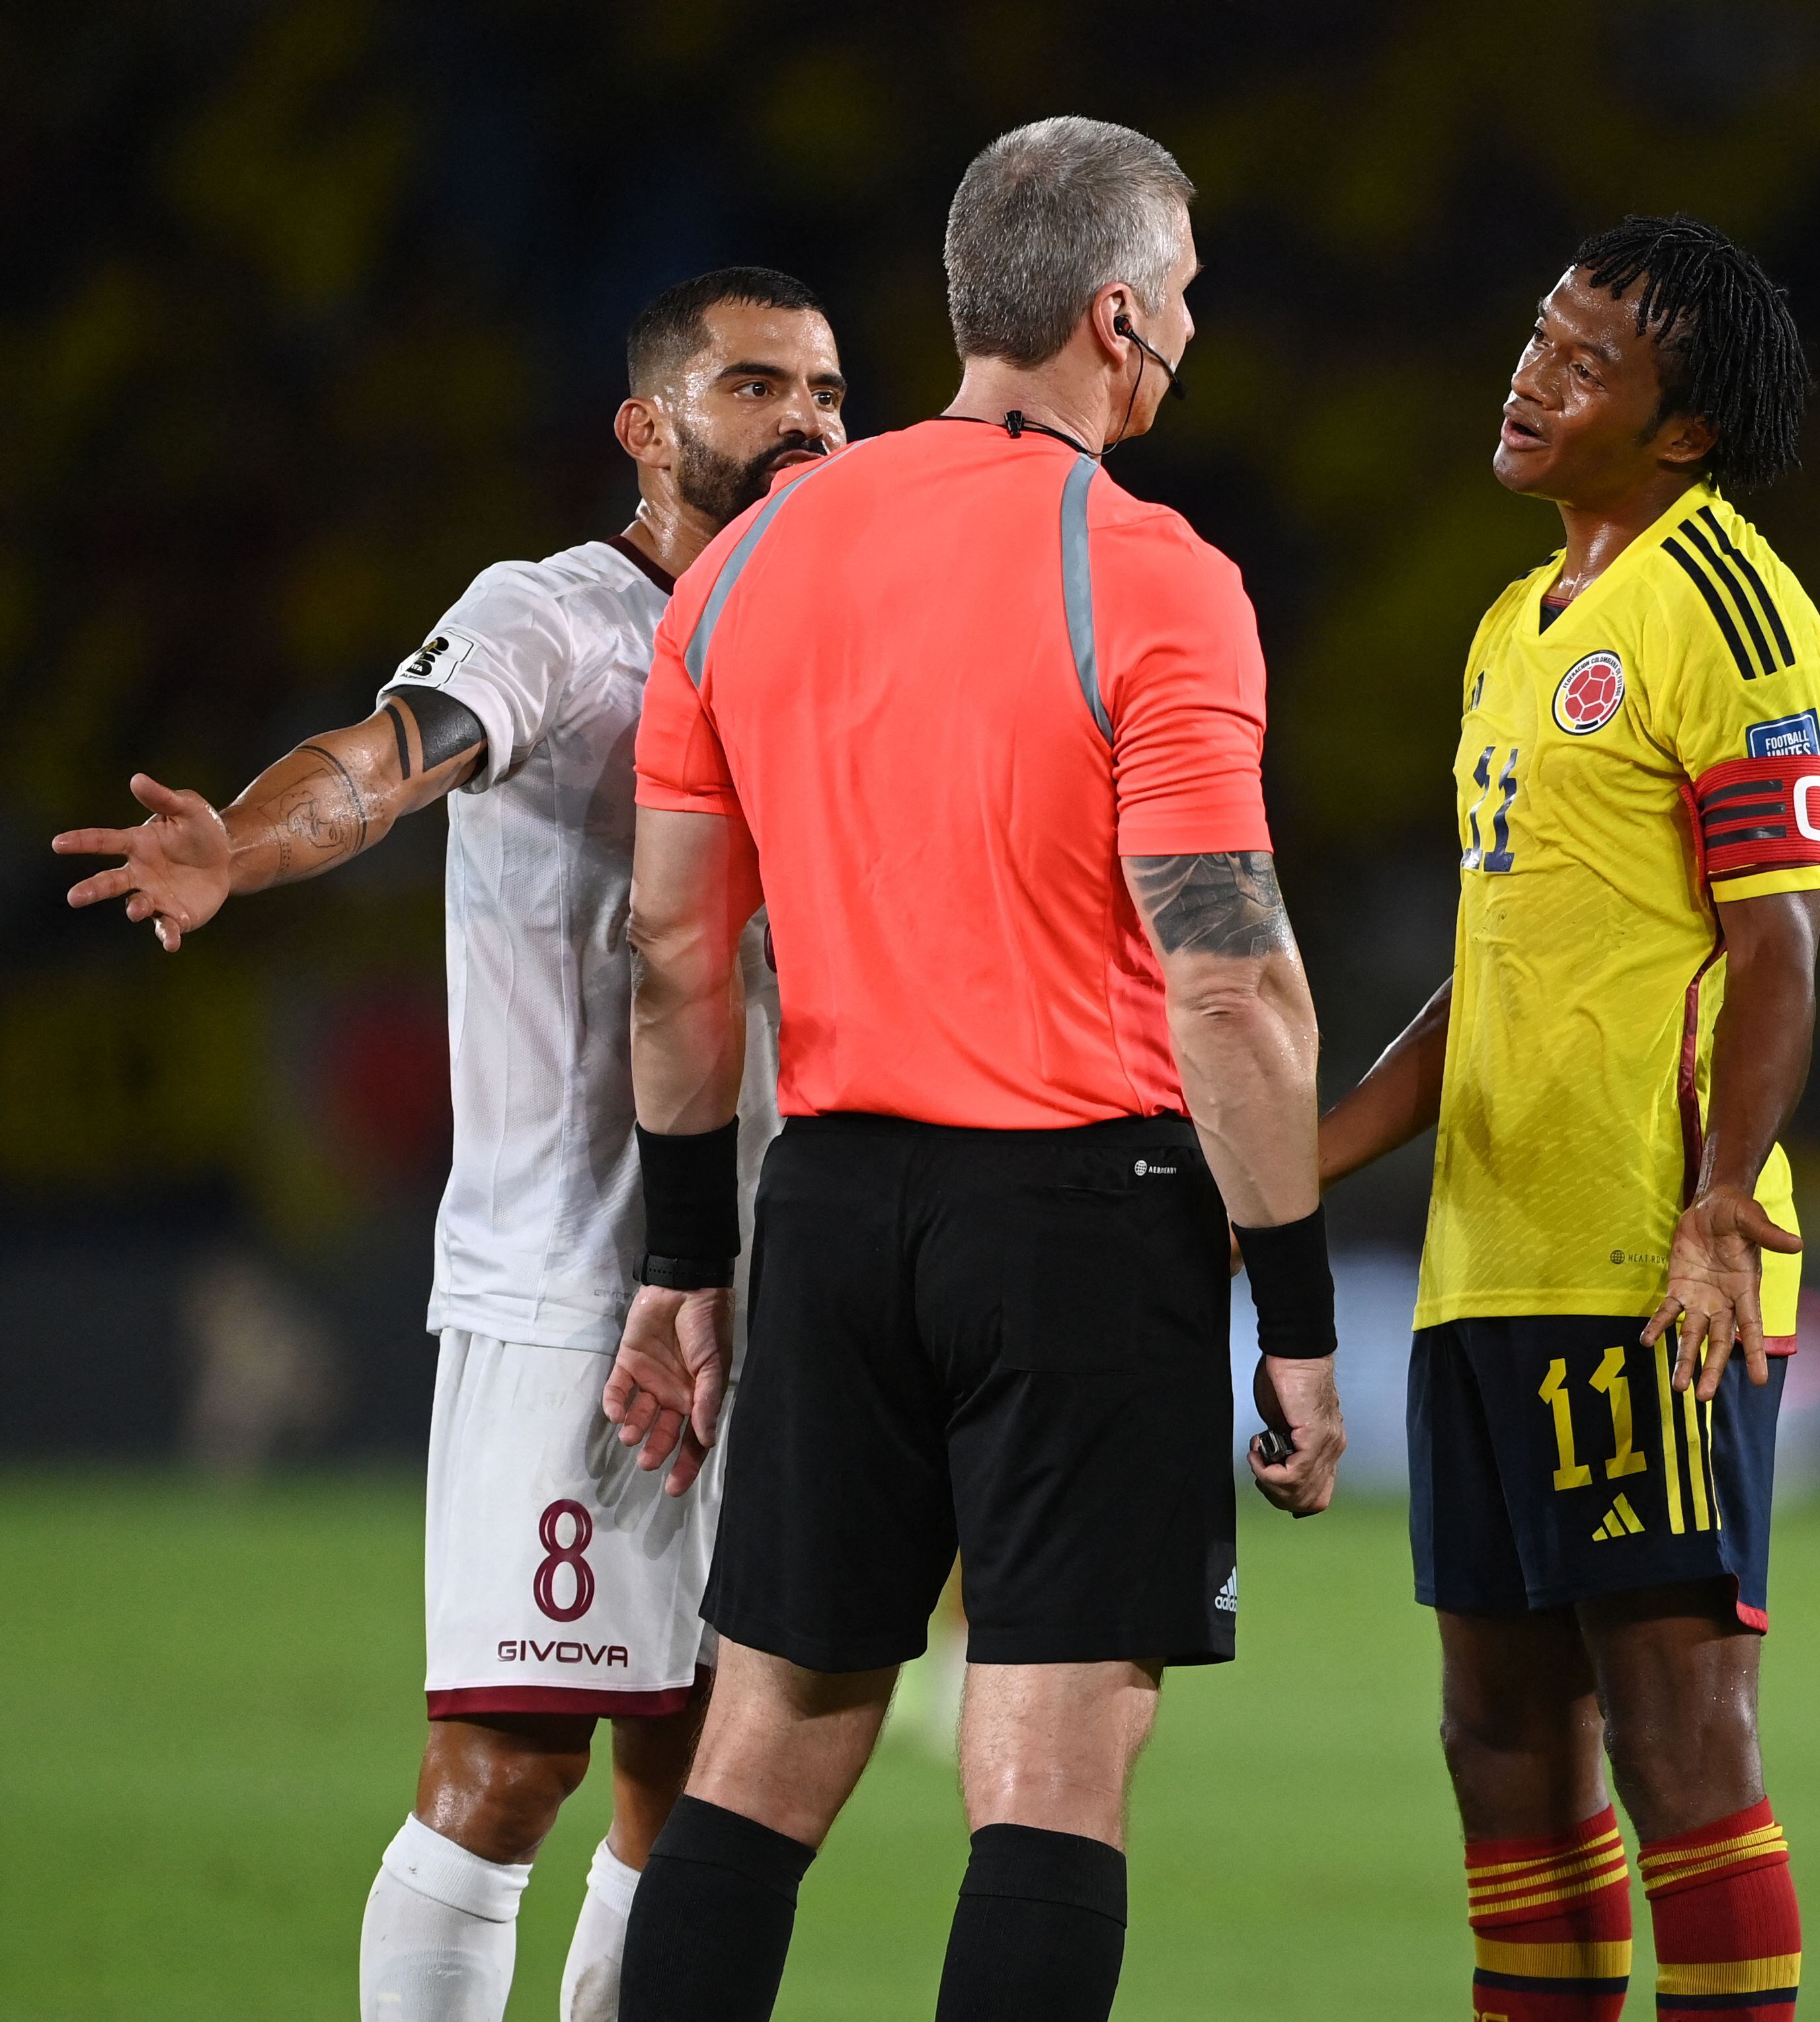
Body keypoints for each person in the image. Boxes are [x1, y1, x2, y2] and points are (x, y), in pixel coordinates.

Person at [598, 117, 1343, 2022]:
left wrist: (685, 1257)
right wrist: (1293, 1307)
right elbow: (1231, 984)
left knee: (764, 1743)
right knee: (1050, 1764)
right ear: (1117, 318)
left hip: (833, 1205)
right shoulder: (1153, 574)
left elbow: (673, 951)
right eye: (1182, 295)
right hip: (1082, 1214)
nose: (1191, 328)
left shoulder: (744, 567)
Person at [50, 269, 846, 2021]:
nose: (805, 418)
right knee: (508, 1766)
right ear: (645, 428)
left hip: (772, 1286)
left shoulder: (825, 641)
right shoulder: (552, 617)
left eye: (826, 390)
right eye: (754, 384)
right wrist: (244, 845)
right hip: (572, 1287)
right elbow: (386, 759)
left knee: (704, 1778)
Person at [1318, 216, 1820, 2022]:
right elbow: (1492, 971)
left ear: (1682, 429)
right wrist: (1298, 1165)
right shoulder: (1506, 629)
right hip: (1483, 1263)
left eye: (1584, 360)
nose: (1531, 375)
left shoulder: (1732, 610)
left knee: (1676, 1733)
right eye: (1538, 335)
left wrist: (1716, 1205)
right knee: (1500, 1740)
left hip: (1639, 1265)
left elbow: (1775, 947)